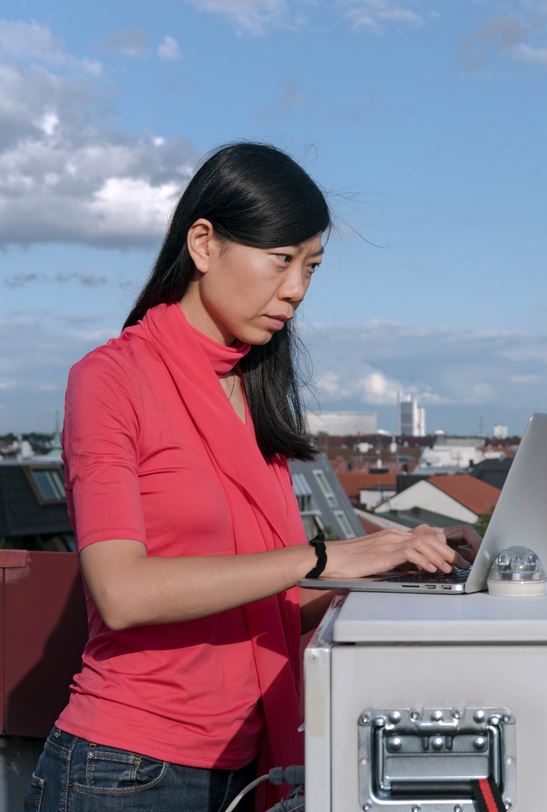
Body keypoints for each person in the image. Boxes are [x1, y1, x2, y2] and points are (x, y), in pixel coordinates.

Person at [22, 142, 479, 812]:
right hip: (126, 771)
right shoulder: (110, 381)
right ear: (203, 244)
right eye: (281, 259)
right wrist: (326, 555)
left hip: (246, 768)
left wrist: (386, 568)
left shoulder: (252, 392)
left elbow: (263, 605)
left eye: (311, 267)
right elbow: (122, 592)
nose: (295, 287)